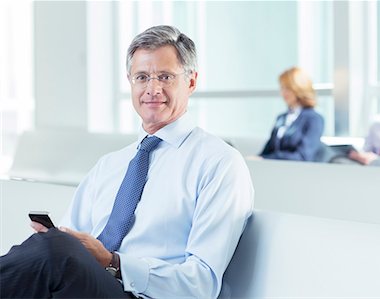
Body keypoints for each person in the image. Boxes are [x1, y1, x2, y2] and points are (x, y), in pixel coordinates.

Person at [0, 25, 254, 298]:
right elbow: (66, 245)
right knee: (47, 245)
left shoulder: (218, 163)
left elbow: (201, 284)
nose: (152, 89)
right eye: (142, 77)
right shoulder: (110, 165)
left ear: (191, 82)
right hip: (84, 288)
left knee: (55, 251)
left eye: (165, 77)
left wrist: (113, 263)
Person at [260, 67, 325, 161]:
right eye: (282, 87)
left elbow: (304, 156)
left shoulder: (314, 119)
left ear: (300, 88)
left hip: (296, 172)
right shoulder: (281, 118)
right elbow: (267, 151)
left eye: (288, 88)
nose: (283, 92)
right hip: (275, 170)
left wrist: (267, 158)